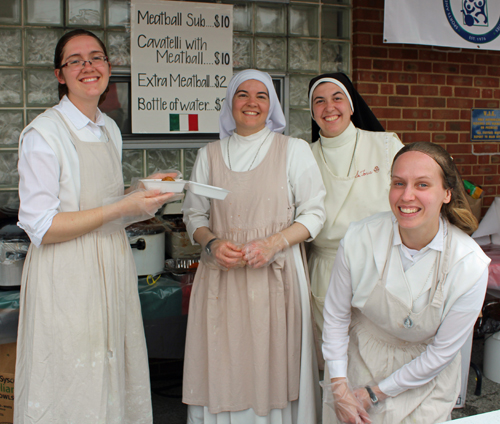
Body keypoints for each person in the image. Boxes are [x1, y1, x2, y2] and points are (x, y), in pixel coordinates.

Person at [15, 29, 175, 424]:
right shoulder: (43, 135)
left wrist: (145, 191)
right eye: (76, 60)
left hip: (111, 267)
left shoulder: (109, 128)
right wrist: (124, 205)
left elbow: (104, 201)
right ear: (60, 75)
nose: (88, 66)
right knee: (71, 378)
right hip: (66, 273)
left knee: (110, 372)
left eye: (96, 57)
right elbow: (42, 226)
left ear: (108, 67)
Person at [182, 69, 327, 423]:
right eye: (242, 94)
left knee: (272, 360)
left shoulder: (293, 151)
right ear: (230, 104)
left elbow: (315, 213)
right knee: (225, 358)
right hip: (223, 277)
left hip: (276, 275)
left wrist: (275, 243)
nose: (251, 102)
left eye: (261, 95)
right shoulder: (209, 155)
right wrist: (213, 243)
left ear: (271, 105)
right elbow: (194, 217)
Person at [322, 142, 490, 423]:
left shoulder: (469, 265)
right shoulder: (359, 239)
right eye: (399, 183)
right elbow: (336, 317)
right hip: (359, 363)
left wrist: (374, 394)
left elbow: (440, 354)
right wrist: (340, 386)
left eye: (422, 185)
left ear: (447, 193)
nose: (406, 196)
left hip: (426, 380)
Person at [306, 73, 404, 345]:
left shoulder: (385, 146)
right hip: (326, 268)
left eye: (337, 98)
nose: (329, 107)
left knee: (382, 350)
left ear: (351, 106)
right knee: (334, 356)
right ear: (312, 112)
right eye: (319, 101)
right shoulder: (303, 155)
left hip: (382, 264)